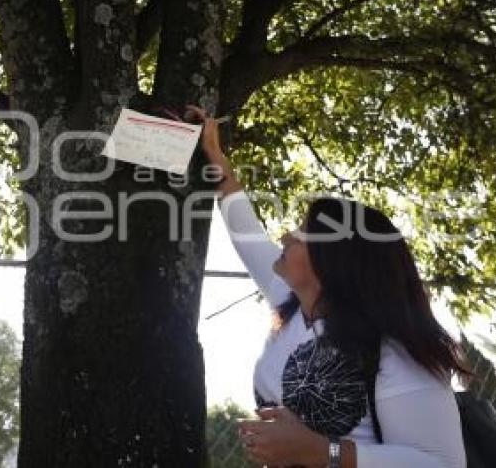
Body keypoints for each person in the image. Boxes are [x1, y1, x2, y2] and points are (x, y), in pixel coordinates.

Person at [185, 105, 468, 468]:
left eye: (303, 233)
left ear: (334, 261)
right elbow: (245, 230)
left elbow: (443, 464)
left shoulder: (393, 351)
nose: (286, 236)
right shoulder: (292, 304)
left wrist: (323, 453)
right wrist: (213, 152)